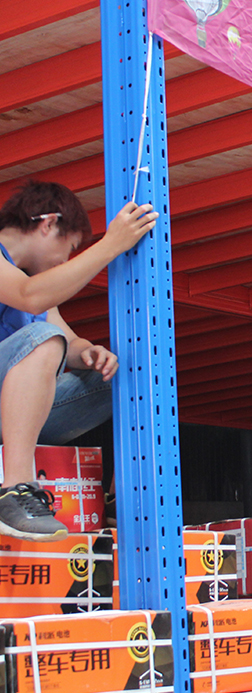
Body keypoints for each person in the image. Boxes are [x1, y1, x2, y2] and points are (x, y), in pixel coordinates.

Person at [0, 181, 158, 541]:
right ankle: (15, 489)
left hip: (15, 409)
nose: (65, 261)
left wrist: (89, 352)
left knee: (121, 375)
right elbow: (29, 299)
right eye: (70, 248)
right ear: (48, 223)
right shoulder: (25, 284)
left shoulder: (35, 282)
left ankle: (119, 500)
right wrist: (111, 245)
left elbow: (67, 341)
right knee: (42, 337)